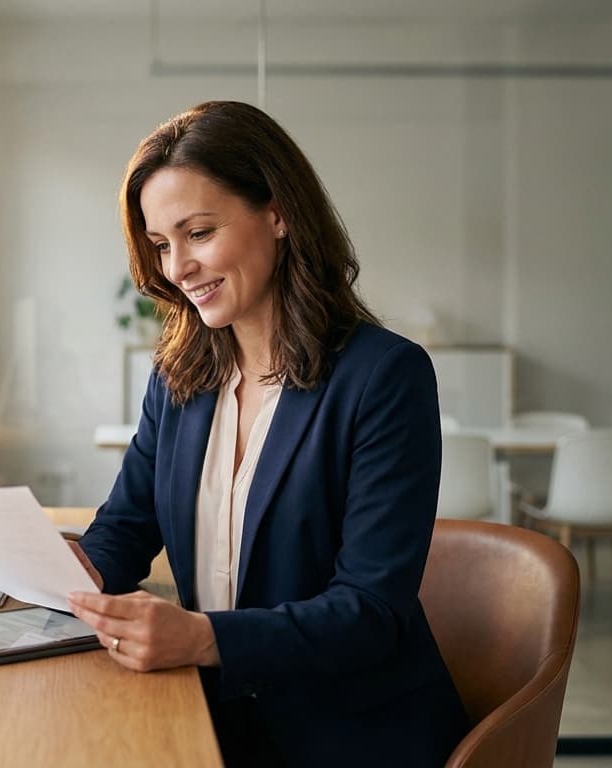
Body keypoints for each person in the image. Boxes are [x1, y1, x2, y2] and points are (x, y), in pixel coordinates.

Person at [65, 101, 469, 767]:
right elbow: (127, 525)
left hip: (350, 736)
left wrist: (202, 639)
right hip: (217, 719)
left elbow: (369, 613)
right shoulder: (179, 376)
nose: (177, 268)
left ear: (278, 213)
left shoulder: (384, 377)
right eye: (161, 245)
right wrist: (63, 573)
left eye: (198, 233)